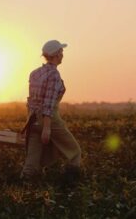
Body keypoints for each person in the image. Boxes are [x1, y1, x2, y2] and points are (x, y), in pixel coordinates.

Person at [21, 40, 82, 185]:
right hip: (48, 119)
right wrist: (47, 128)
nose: (63, 55)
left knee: (33, 157)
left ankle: (24, 185)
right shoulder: (53, 75)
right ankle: (71, 185)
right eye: (61, 52)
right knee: (74, 151)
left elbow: (31, 100)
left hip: (32, 118)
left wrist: (32, 120)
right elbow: (48, 103)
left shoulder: (35, 73)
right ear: (56, 55)